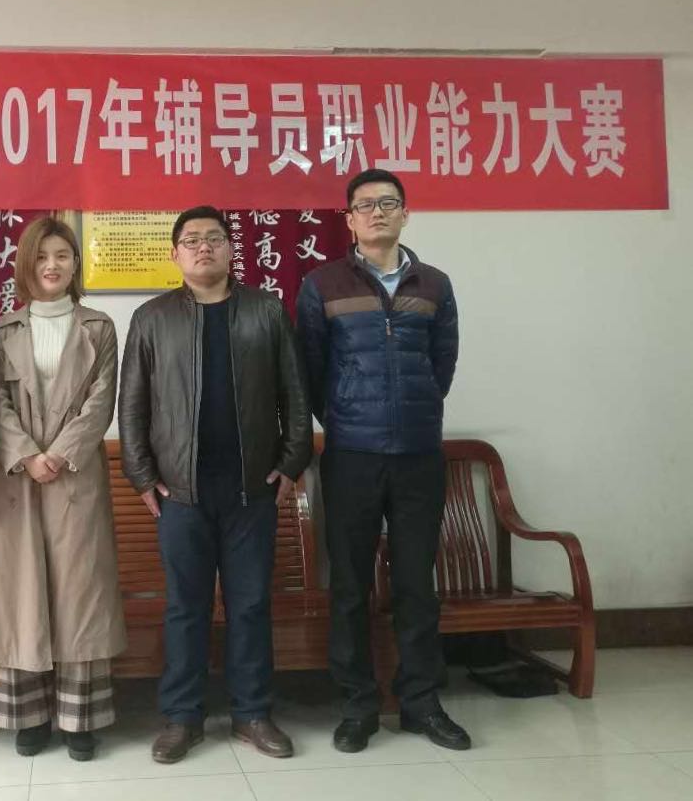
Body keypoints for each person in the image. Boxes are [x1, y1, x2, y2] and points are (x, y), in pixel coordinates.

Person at [119, 206, 313, 764]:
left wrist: (292, 462)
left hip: (252, 489)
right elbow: (131, 405)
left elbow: (295, 395)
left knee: (250, 604)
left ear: (231, 249)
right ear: (175, 254)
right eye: (191, 240)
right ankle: (182, 718)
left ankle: (253, 713)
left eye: (214, 238)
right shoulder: (152, 318)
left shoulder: (265, 310)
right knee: (186, 607)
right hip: (180, 493)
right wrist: (142, 475)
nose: (203, 247)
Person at [296, 168, 470, 753]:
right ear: (348, 219)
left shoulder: (435, 285)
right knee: (349, 586)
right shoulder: (322, 284)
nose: (377, 213)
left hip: (419, 455)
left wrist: (416, 411)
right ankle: (358, 705)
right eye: (365, 205)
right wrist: (344, 415)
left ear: (405, 214)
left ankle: (421, 703)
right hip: (351, 456)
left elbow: (442, 365)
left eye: (388, 203)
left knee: (417, 584)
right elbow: (311, 369)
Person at [0, 217, 127, 762]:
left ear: (75, 263)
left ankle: (79, 718)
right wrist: (26, 454)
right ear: (26, 264)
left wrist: (60, 453)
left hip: (75, 474)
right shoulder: (2, 330)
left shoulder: (99, 327)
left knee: (79, 592)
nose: (52, 265)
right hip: (17, 477)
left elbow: (102, 399)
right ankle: (30, 715)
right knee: (22, 590)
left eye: (63, 255)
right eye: (42, 256)